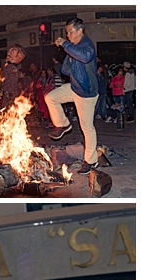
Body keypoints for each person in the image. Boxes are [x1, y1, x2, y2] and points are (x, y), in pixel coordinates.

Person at [46, 18, 99, 173]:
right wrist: (69, 62)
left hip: (86, 93)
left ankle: (91, 161)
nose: (67, 35)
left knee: (87, 128)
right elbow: (65, 70)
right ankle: (63, 124)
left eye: (70, 31)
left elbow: (86, 56)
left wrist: (65, 44)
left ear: (80, 30)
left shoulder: (86, 45)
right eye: (67, 32)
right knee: (51, 97)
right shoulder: (74, 46)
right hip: (75, 87)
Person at [0, 45, 29, 110]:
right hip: (9, 95)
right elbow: (11, 82)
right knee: (8, 111)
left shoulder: (9, 67)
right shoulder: (11, 68)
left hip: (8, 94)